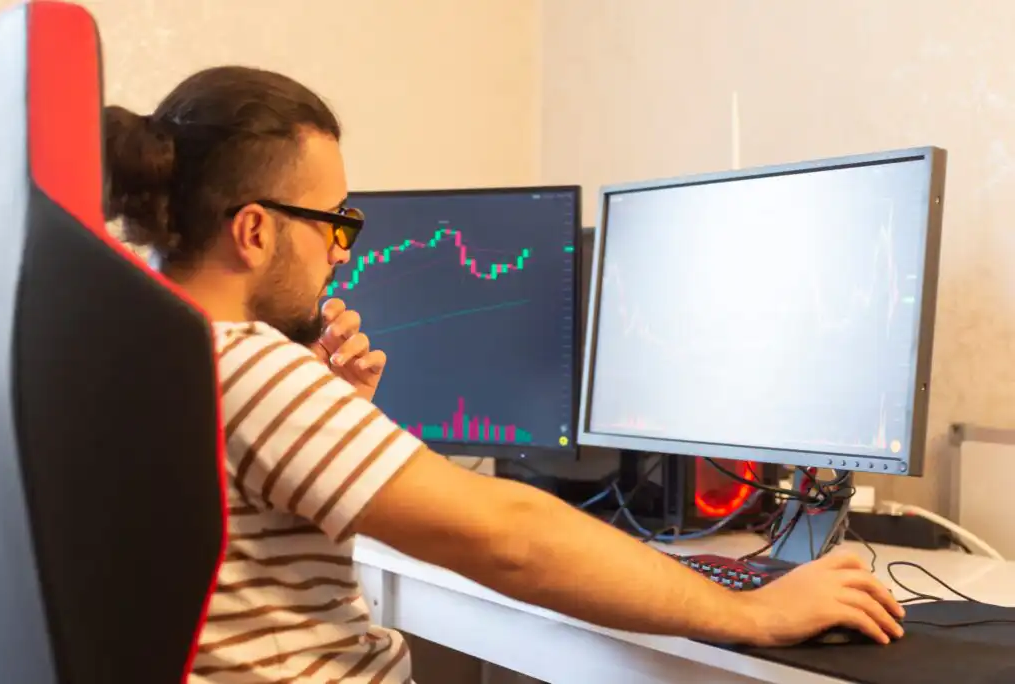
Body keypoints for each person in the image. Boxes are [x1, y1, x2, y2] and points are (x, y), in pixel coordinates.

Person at [104, 66, 905, 683]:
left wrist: (332, 414)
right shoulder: (244, 363)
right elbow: (510, 539)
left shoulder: (132, 347)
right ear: (252, 230)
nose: (342, 253)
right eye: (336, 223)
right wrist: (749, 613)